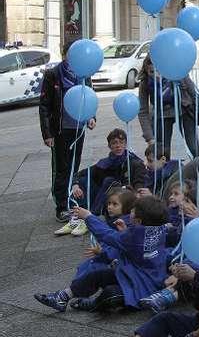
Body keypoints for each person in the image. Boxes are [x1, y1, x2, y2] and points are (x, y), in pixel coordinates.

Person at [35, 196, 168, 312]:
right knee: (98, 275)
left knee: (111, 295)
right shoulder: (159, 229)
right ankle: (62, 297)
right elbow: (136, 245)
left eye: (133, 211)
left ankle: (93, 304)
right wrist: (125, 232)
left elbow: (107, 235)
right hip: (136, 275)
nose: (130, 213)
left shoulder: (133, 236)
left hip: (142, 285)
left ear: (138, 221)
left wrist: (88, 217)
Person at [39, 39, 97, 222]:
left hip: (78, 127)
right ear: (64, 55)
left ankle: (72, 201)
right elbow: (44, 106)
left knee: (75, 165)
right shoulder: (53, 74)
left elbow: (90, 96)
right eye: (71, 55)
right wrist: (47, 134)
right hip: (60, 129)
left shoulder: (84, 73)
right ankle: (61, 205)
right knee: (61, 168)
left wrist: (91, 117)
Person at [54, 128, 148, 236]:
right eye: (114, 143)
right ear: (109, 146)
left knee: (109, 181)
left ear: (126, 144)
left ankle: (90, 217)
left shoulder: (134, 162)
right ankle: (76, 218)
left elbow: (140, 184)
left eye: (121, 142)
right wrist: (76, 185)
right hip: (109, 197)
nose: (118, 146)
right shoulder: (106, 162)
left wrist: (135, 192)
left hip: (127, 197)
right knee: (84, 180)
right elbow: (81, 173)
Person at [137, 55, 199, 159]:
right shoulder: (145, 83)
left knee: (193, 147)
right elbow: (142, 111)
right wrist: (149, 137)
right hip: (162, 114)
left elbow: (196, 95)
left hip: (184, 109)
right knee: (162, 150)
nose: (156, 76)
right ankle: (165, 173)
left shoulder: (177, 73)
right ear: (146, 71)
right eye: (151, 72)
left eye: (159, 71)